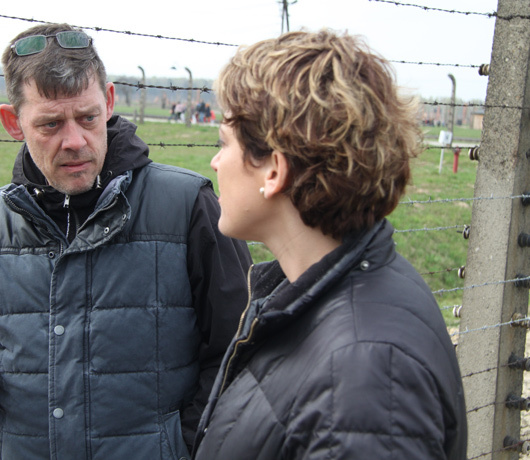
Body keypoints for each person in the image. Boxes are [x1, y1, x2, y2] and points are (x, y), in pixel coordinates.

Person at [0, 23, 252, 460]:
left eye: (88, 117)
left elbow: (241, 356)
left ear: (110, 101)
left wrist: (183, 447)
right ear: (12, 122)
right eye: (50, 124)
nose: (75, 141)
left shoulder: (188, 209)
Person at [192, 29, 467, 459]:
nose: (215, 161)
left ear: (273, 172)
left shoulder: (364, 377)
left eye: (224, 143)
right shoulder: (341, 290)